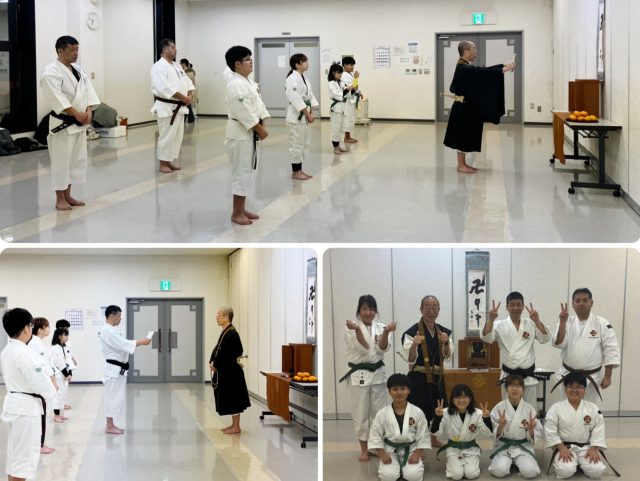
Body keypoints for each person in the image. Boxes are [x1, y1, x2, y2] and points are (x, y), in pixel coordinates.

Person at [40, 35, 100, 211]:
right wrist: (76, 114)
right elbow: (56, 98)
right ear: (60, 51)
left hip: (79, 124)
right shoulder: (51, 72)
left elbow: (88, 92)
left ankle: (68, 195)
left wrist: (89, 110)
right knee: (61, 162)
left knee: (75, 161)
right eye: (72, 50)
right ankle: (59, 198)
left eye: (77, 49)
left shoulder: (78, 70)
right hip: (63, 125)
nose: (76, 53)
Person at [443, 40, 516, 173]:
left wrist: (503, 66)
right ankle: (461, 165)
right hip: (462, 109)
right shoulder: (463, 68)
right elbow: (480, 73)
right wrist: (503, 69)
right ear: (466, 52)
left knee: (465, 135)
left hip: (465, 108)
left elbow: (481, 71)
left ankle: (462, 164)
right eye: (474, 49)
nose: (476, 51)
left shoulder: (465, 66)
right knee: (462, 136)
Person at [1, 308, 57, 481]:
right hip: (26, 409)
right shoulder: (23, 353)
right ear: (26, 328)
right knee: (24, 460)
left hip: (15, 404)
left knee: (16, 456)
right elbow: (40, 382)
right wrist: (52, 389)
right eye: (31, 326)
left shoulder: (8, 350)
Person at [339, 294, 395, 462]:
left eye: (371, 309)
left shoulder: (381, 327)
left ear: (375, 311)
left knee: (379, 413)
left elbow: (382, 349)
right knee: (360, 413)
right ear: (359, 311)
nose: (368, 312)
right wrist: (357, 330)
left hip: (377, 374)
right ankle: (364, 449)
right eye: (364, 309)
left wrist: (386, 332)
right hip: (359, 375)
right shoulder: (351, 328)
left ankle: (377, 447)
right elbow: (364, 349)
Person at [224, 45, 270, 225]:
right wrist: (259, 128)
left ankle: (242, 209)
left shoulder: (248, 82)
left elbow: (258, 105)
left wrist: (263, 121)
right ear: (237, 64)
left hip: (250, 132)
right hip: (240, 133)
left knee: (249, 171)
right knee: (241, 172)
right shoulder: (235, 84)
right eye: (247, 59)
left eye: (251, 59)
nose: (251, 62)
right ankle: (236, 213)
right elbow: (243, 110)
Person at [551, 288, 621, 405]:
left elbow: (611, 349)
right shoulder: (566, 322)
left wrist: (608, 376)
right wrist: (562, 323)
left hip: (591, 377)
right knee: (566, 408)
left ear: (591, 303)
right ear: (573, 304)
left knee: (589, 409)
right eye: (578, 301)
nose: (581, 303)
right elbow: (559, 343)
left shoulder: (602, 323)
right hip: (568, 375)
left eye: (585, 300)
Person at [481, 292, 550, 408]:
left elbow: (545, 338)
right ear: (507, 307)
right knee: (508, 410)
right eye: (512, 305)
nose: (515, 308)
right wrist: (491, 320)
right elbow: (487, 338)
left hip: (528, 377)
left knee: (529, 410)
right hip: (509, 377)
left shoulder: (531, 324)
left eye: (518, 304)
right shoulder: (499, 325)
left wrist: (537, 320)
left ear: (523, 306)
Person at [544, 372, 612, 479]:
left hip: (586, 448)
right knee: (564, 472)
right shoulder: (555, 408)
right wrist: (561, 448)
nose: (574, 390)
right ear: (565, 389)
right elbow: (550, 430)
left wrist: (594, 448)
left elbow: (598, 429)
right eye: (570, 387)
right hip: (565, 447)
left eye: (579, 387)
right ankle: (575, 463)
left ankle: (580, 462)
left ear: (584, 390)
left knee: (597, 471)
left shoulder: (593, 408)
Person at [401, 296, 453, 430]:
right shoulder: (411, 332)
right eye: (427, 307)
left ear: (439, 309)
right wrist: (414, 345)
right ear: (421, 309)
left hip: (437, 378)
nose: (431, 311)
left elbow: (448, 356)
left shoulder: (444, 332)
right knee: (418, 410)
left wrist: (446, 342)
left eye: (435, 307)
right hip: (418, 378)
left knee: (438, 410)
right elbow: (410, 359)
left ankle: (434, 437)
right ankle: (417, 438)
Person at [98, 305, 151, 434]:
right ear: (111, 316)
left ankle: (111, 424)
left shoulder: (112, 330)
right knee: (112, 397)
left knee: (116, 397)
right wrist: (141, 342)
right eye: (119, 316)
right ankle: (109, 426)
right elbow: (123, 344)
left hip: (118, 369)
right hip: (113, 371)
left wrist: (139, 342)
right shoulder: (107, 330)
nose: (120, 319)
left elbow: (123, 344)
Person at [368, 373, 431, 481]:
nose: (399, 393)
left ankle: (406, 469)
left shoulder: (417, 412)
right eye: (395, 389)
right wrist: (382, 453)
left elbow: (423, 435)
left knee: (413, 476)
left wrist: (418, 453)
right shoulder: (382, 414)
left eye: (403, 389)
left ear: (408, 390)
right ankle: (393, 468)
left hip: (411, 450)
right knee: (388, 477)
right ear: (389, 391)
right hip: (390, 451)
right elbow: (375, 435)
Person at [431, 384, 494, 480]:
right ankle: (456, 463)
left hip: (470, 448)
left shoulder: (478, 413)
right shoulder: (445, 412)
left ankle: (469, 462)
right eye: (458, 397)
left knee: (471, 474)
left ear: (470, 399)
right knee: (456, 475)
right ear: (452, 399)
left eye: (464, 397)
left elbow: (488, 433)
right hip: (453, 448)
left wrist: (486, 418)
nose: (461, 400)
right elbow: (436, 432)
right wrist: (438, 417)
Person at [151, 39, 195, 173]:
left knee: (176, 136)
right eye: (173, 47)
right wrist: (183, 98)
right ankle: (162, 163)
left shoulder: (176, 66)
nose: (176, 50)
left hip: (180, 107)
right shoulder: (158, 67)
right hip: (167, 107)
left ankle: (168, 161)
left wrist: (189, 95)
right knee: (166, 136)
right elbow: (164, 87)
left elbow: (188, 82)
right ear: (165, 49)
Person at [488, 374, 541, 479]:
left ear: (523, 390)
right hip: (503, 446)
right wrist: (500, 427)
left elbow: (536, 434)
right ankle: (508, 463)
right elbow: (492, 433)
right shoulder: (498, 408)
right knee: (498, 471)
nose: (515, 389)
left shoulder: (529, 409)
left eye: (518, 386)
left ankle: (516, 462)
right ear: (506, 389)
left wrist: (531, 430)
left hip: (523, 447)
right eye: (511, 385)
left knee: (531, 472)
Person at [209, 306, 251, 434]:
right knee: (229, 398)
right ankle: (233, 425)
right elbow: (219, 349)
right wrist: (212, 361)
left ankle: (236, 427)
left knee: (233, 398)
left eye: (219, 314)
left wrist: (216, 364)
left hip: (232, 373)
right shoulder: (226, 331)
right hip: (227, 371)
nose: (216, 317)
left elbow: (230, 353)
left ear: (226, 317)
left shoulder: (232, 333)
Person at [285, 53, 319, 180]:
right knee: (296, 144)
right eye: (305, 61)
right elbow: (295, 99)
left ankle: (299, 170)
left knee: (304, 143)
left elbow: (310, 95)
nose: (307, 63)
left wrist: (312, 112)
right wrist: (308, 114)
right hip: (296, 117)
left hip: (305, 115)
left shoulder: (304, 77)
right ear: (297, 64)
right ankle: (296, 172)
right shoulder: (292, 78)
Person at [27, 317, 58, 454]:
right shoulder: (34, 344)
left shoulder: (39, 343)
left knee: (44, 413)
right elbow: (42, 366)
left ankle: (40, 443)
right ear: (40, 329)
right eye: (47, 326)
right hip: (42, 383)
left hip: (46, 382)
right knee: (42, 414)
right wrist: (53, 380)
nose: (49, 329)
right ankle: (39, 445)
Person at [51, 327, 72, 423]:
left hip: (65, 375)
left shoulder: (66, 347)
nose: (67, 336)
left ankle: (61, 415)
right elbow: (58, 363)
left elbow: (69, 361)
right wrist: (66, 374)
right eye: (65, 335)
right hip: (59, 375)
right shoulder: (54, 348)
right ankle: (56, 416)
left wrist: (70, 373)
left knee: (63, 395)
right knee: (58, 396)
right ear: (59, 336)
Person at [56, 318, 77, 410]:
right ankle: (59, 405)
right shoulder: (57, 342)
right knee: (60, 387)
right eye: (66, 328)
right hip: (61, 368)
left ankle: (63, 403)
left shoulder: (67, 341)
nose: (67, 330)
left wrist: (73, 359)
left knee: (65, 386)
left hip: (67, 366)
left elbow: (69, 352)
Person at [328, 63, 348, 154]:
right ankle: (335, 147)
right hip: (336, 108)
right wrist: (348, 89)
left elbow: (346, 93)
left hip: (342, 107)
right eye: (338, 72)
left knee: (341, 127)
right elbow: (338, 95)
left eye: (341, 72)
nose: (340, 74)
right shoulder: (331, 83)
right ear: (333, 73)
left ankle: (339, 146)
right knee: (335, 128)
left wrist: (350, 89)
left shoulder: (340, 82)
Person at [341, 56, 361, 144]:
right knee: (348, 118)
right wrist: (356, 78)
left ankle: (348, 136)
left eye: (353, 65)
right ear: (344, 65)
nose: (352, 67)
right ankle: (346, 137)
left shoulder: (349, 74)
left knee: (351, 118)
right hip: (347, 100)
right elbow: (353, 87)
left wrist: (359, 92)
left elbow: (355, 87)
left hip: (351, 99)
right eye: (350, 65)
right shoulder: (344, 75)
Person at [180, 58, 197, 122]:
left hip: (189, 90)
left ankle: (190, 118)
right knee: (187, 104)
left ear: (184, 64)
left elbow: (189, 82)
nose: (180, 64)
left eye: (181, 63)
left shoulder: (189, 71)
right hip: (187, 90)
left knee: (187, 104)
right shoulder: (184, 71)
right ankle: (190, 118)